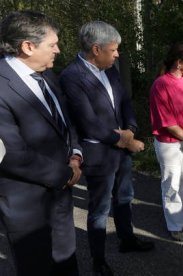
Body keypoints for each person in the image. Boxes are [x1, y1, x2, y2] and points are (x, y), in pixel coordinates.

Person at [60, 21, 154, 276]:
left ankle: (127, 239)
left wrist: (131, 127)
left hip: (121, 149)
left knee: (124, 197)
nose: (117, 54)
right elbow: (88, 123)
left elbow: (124, 100)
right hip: (99, 153)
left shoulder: (111, 68)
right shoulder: (71, 76)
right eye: (113, 50)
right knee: (100, 208)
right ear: (95, 49)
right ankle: (98, 260)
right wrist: (127, 141)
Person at [0, 11, 82, 276]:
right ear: (28, 46)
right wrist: (66, 174)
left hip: (60, 196)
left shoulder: (46, 75)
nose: (58, 50)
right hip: (27, 206)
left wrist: (76, 155)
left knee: (67, 264)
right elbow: (10, 154)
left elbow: (66, 120)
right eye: (52, 44)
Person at [149, 43, 183, 242]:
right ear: (179, 63)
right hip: (170, 143)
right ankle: (175, 225)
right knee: (171, 183)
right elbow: (166, 121)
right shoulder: (161, 84)